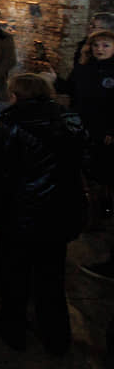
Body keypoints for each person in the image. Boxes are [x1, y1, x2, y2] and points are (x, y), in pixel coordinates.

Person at [0, 73, 89, 355]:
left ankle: (13, 328)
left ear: (16, 95)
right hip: (61, 210)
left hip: (21, 211)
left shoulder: (10, 124)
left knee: (13, 274)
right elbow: (83, 161)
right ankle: (57, 337)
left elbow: (0, 174)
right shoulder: (71, 120)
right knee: (52, 276)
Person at [70, 29, 114, 279]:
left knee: (101, 177)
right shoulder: (85, 69)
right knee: (85, 173)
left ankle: (99, 215)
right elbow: (74, 91)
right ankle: (90, 214)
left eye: (106, 46)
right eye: (96, 45)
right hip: (83, 127)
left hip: (104, 134)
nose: (100, 50)